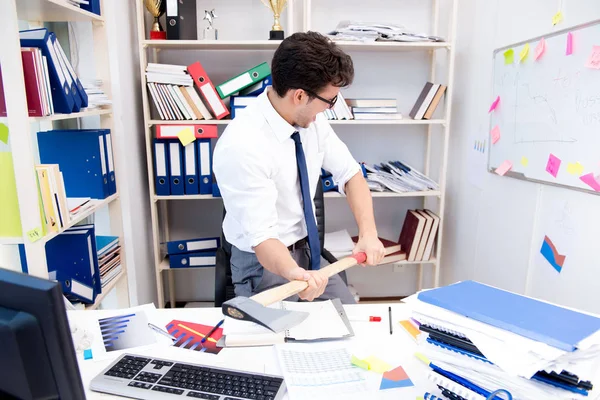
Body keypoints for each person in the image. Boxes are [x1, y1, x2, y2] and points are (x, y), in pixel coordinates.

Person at [213, 31, 385, 304]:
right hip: (263, 263)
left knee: (352, 322)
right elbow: (264, 239)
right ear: (300, 96)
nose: (330, 108)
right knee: (278, 340)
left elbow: (351, 174)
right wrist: (295, 274)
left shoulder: (310, 121)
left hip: (308, 253)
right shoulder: (242, 146)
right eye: (329, 101)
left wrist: (368, 233)